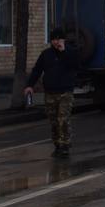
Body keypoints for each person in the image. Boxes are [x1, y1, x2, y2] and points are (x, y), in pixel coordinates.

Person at [25, 28, 80, 158]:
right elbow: (37, 70)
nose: (56, 42)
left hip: (65, 92)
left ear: (63, 40)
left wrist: (64, 51)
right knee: (54, 121)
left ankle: (64, 145)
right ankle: (57, 145)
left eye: (59, 39)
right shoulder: (46, 54)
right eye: (54, 39)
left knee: (63, 119)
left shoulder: (71, 52)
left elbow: (75, 65)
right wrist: (29, 85)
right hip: (50, 92)